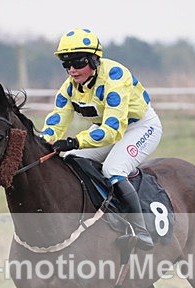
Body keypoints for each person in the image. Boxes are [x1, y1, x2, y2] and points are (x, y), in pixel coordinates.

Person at [41, 28, 162, 250]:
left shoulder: (116, 77)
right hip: (107, 128)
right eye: (66, 64)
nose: (71, 70)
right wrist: (43, 142)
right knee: (71, 159)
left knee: (113, 169)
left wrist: (74, 141)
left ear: (94, 60)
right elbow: (56, 121)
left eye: (77, 63)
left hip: (140, 127)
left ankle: (141, 231)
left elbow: (112, 131)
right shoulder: (69, 88)